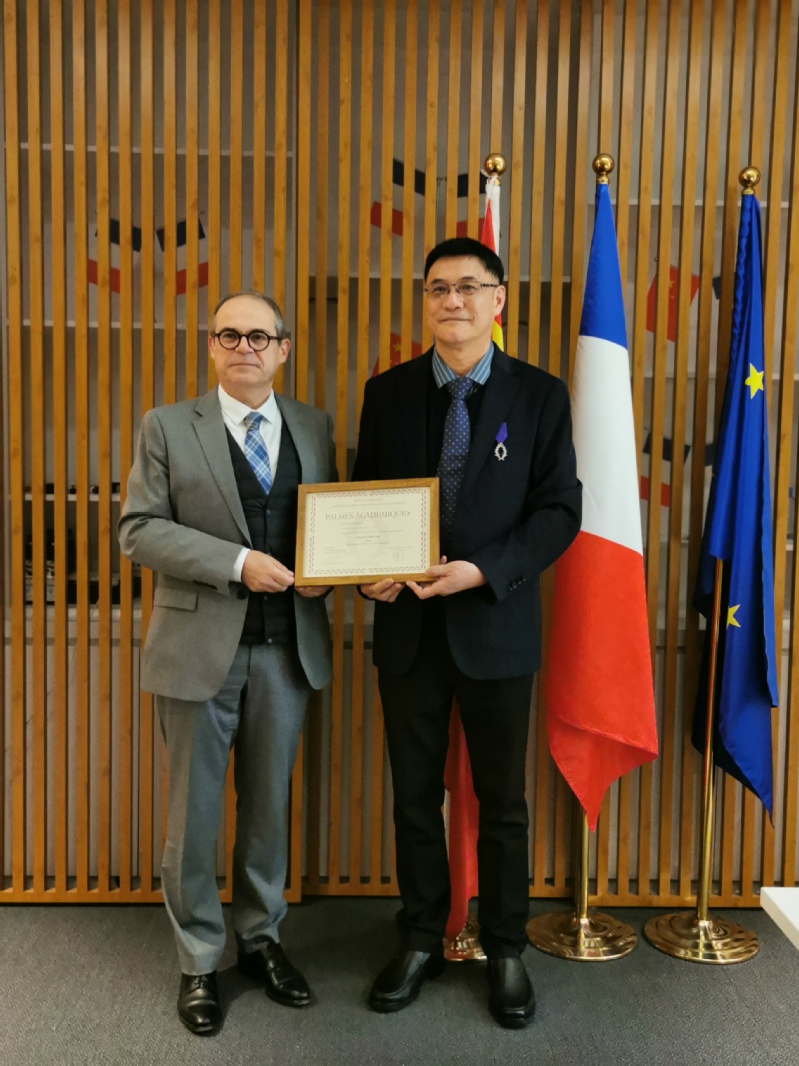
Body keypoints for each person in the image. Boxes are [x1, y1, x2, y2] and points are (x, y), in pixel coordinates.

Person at [352, 237, 581, 1029]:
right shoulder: (386, 393)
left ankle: (506, 947)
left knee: (502, 801)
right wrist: (365, 571)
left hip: (495, 625)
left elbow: (559, 510)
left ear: (498, 301)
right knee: (414, 797)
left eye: (468, 287)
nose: (452, 301)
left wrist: (482, 571)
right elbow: (364, 501)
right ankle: (420, 936)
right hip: (407, 630)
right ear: (424, 301)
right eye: (437, 288)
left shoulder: (540, 395)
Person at [118, 291, 335, 1035]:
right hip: (195, 652)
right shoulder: (167, 426)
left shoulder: (314, 426)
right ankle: (198, 959)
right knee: (195, 814)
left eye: (259, 337)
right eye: (229, 335)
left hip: (287, 652)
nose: (245, 347)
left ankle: (260, 938)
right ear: (211, 346)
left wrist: (334, 571)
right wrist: (239, 562)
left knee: (269, 809)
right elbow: (138, 529)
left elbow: (334, 522)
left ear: (282, 349)